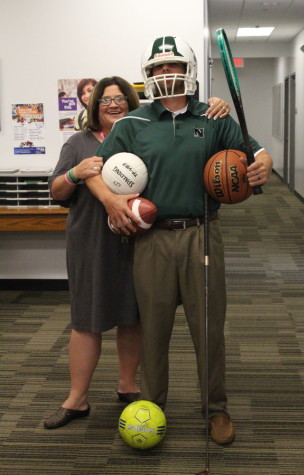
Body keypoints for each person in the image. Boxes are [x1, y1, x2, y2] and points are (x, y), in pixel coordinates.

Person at [85, 37, 273, 446]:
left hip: (203, 232)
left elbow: (257, 154)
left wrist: (261, 168)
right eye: (158, 68)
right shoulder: (131, 124)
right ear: (148, 74)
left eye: (173, 65)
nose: (166, 74)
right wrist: (112, 201)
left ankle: (216, 409)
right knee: (153, 329)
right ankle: (151, 408)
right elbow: (95, 172)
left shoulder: (215, 116)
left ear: (187, 69)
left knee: (209, 329)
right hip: (150, 238)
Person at [44, 74, 231, 430]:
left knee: (135, 318)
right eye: (104, 100)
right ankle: (76, 398)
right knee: (88, 321)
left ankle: (128, 385)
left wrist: (214, 106)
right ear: (93, 105)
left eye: (120, 99)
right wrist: (75, 174)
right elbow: (56, 190)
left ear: (132, 105)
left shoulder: (142, 134)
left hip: (138, 244)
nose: (112, 105)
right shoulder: (79, 143)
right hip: (95, 246)